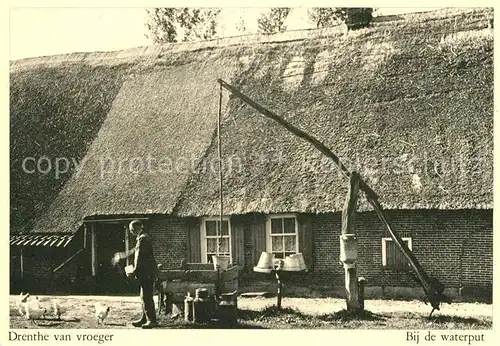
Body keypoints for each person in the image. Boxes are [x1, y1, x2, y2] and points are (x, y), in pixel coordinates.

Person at [112, 220, 159, 328]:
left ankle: (152, 320)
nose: (131, 232)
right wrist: (121, 255)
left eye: (131, 230)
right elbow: (134, 251)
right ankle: (145, 318)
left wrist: (135, 270)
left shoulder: (143, 239)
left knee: (146, 296)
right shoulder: (143, 238)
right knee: (144, 296)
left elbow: (139, 258)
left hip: (146, 272)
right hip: (147, 271)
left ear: (135, 229)